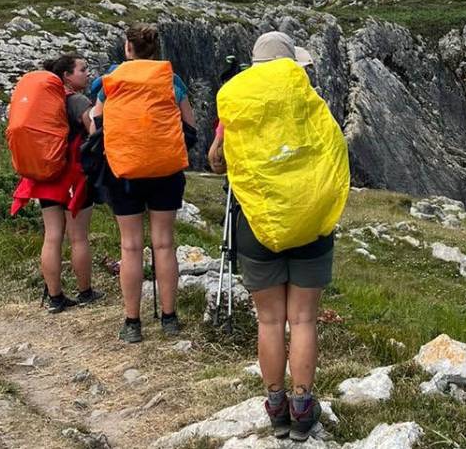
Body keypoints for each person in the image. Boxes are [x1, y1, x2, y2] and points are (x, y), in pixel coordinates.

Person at [208, 32, 331, 441]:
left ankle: (275, 405)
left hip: (256, 226)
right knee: (303, 319)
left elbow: (216, 161)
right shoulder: (309, 102)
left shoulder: (239, 105)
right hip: (310, 223)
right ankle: (302, 404)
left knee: (270, 320)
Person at [93, 23, 196, 343]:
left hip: (123, 172)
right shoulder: (171, 80)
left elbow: (94, 122)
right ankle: (169, 318)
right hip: (165, 172)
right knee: (164, 244)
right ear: (155, 49)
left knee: (130, 246)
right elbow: (189, 127)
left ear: (128, 48)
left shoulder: (110, 82)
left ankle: (132, 323)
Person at [10, 54, 103, 313]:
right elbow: (94, 132)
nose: (88, 73)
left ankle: (55, 297)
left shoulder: (46, 101)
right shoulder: (77, 100)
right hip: (74, 177)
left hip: (46, 175)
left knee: (52, 236)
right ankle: (85, 292)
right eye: (82, 69)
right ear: (66, 76)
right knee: (79, 237)